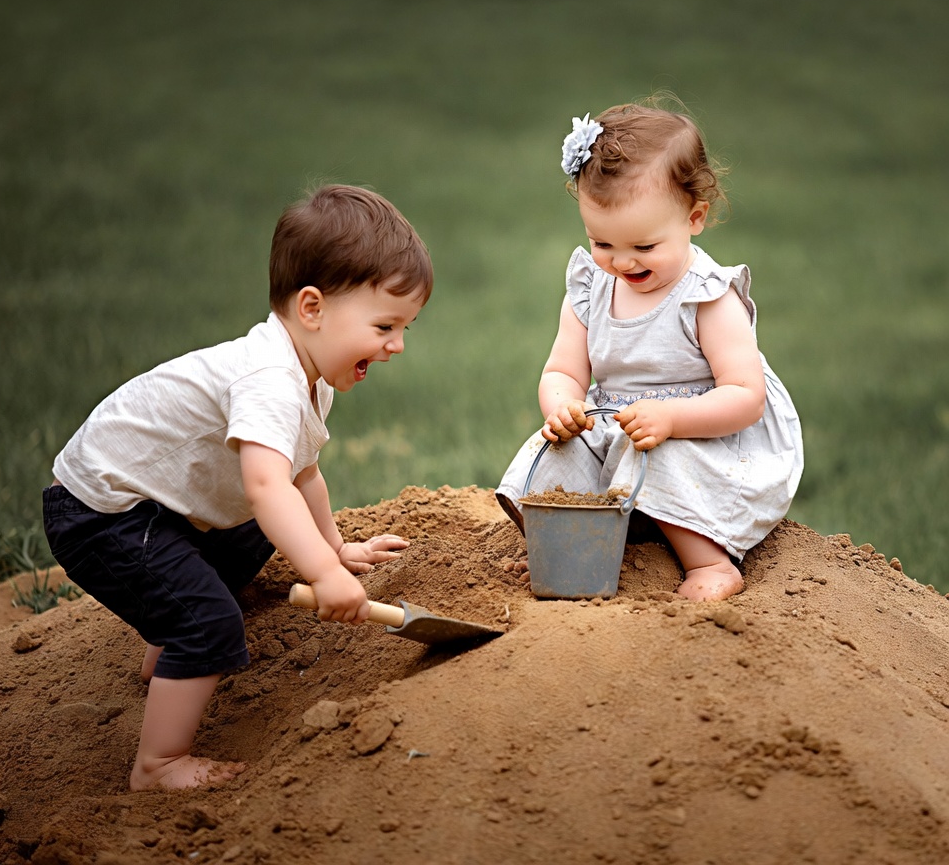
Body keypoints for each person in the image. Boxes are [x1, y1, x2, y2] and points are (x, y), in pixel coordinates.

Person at [41, 184, 433, 790]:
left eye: (404, 327)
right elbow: (267, 486)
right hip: (101, 511)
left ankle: (169, 650)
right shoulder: (269, 379)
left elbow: (303, 474)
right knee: (210, 619)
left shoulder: (312, 377)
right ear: (312, 308)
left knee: (256, 537)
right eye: (385, 325)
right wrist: (327, 578)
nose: (397, 345)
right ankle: (159, 762)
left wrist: (331, 550)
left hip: (157, 506)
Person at [496, 96, 803, 602]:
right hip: (617, 424)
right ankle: (577, 547)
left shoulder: (706, 297)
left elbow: (746, 397)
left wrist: (672, 419)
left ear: (695, 217)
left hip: (705, 433)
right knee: (550, 453)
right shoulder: (590, 286)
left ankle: (710, 562)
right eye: (602, 243)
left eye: (643, 247)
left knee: (660, 455)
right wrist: (562, 408)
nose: (621, 262)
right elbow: (562, 371)